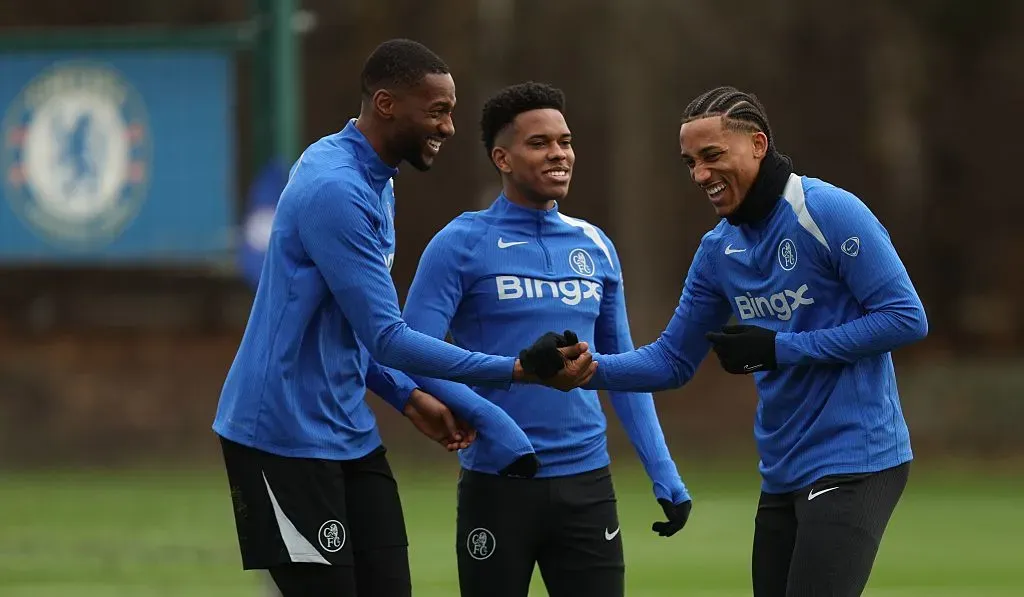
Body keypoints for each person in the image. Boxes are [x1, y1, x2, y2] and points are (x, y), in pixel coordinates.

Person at [212, 40, 595, 597]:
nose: (450, 126)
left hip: (345, 429)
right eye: (437, 110)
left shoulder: (376, 177)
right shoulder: (335, 190)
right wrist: (518, 368)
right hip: (279, 435)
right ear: (387, 105)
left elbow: (360, 330)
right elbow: (388, 336)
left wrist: (409, 399)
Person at [566, 85, 929, 596]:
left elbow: (905, 318)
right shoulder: (718, 249)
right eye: (690, 162)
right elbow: (671, 360)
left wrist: (779, 348)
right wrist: (587, 368)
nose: (700, 175)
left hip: (858, 458)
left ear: (757, 144)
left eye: (712, 155)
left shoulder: (828, 211)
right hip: (781, 469)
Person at [400, 82, 693, 597]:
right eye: (539, 143)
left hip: (588, 485)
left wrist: (663, 471)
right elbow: (411, 352)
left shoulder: (595, 244)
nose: (559, 154)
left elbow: (621, 368)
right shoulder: (459, 243)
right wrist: (498, 426)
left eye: (566, 141)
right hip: (497, 482)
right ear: (502, 158)